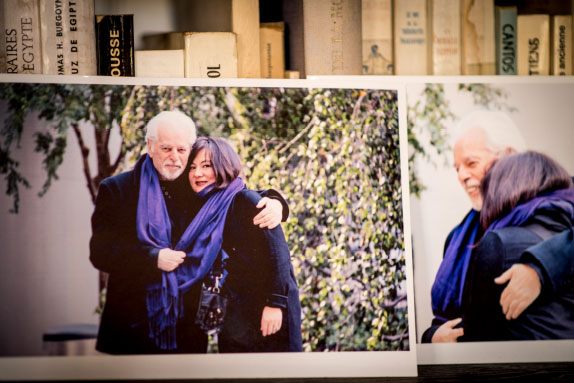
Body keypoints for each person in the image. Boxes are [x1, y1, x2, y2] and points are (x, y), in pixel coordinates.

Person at [89, 110, 288, 354]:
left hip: (186, 329)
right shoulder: (117, 189)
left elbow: (235, 191)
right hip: (131, 323)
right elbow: (100, 252)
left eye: (181, 150)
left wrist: (276, 202)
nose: (174, 157)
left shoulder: (194, 183)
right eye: (166, 148)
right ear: (150, 146)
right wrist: (153, 258)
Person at [422, 110, 572, 343]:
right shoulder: (457, 239)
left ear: (508, 155)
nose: (462, 175)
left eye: (471, 163)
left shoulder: (552, 202)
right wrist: (432, 338)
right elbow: (445, 320)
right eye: (457, 168)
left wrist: (540, 269)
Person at [187, 137, 302, 352]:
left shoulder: (246, 201)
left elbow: (279, 253)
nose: (197, 173)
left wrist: (274, 304)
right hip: (235, 311)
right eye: (192, 167)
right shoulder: (204, 209)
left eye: (206, 166)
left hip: (267, 308)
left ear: (223, 166)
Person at [462, 151, 574, 341]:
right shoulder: (566, 237)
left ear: (502, 190)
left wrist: (430, 337)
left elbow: (476, 336)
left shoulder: (499, 244)